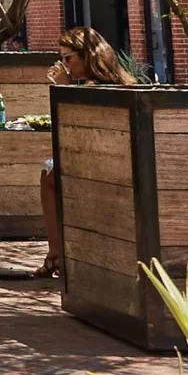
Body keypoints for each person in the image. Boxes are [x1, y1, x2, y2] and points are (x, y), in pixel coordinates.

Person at [37, 26, 136, 277]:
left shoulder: (96, 87)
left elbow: (78, 128)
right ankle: (57, 253)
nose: (64, 64)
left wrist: (64, 88)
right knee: (50, 174)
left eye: (68, 58)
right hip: (109, 160)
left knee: (49, 178)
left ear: (87, 55)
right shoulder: (115, 80)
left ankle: (56, 254)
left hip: (105, 165)